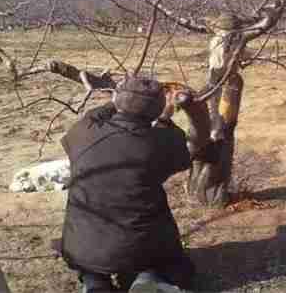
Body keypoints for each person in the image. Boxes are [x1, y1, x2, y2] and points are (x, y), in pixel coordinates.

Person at [57, 74, 195, 293]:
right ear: (156, 109)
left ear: (117, 101)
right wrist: (165, 119)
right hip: (139, 248)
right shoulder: (160, 142)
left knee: (91, 264)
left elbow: (93, 115)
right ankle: (149, 277)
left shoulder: (83, 131)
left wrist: (118, 101)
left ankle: (94, 284)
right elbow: (181, 159)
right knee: (177, 264)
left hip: (80, 247)